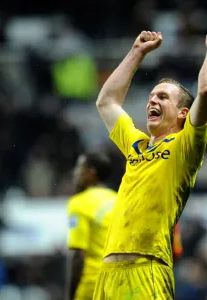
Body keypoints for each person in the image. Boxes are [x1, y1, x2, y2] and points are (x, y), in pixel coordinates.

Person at [93, 31, 207, 299]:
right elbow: (106, 102)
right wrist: (137, 52)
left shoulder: (185, 147)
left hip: (147, 269)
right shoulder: (137, 145)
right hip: (107, 275)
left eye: (163, 97)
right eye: (151, 96)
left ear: (183, 114)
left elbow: (204, 90)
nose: (153, 100)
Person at [66, 152, 117, 300]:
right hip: (119, 283)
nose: (75, 173)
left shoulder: (79, 204)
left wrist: (70, 294)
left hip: (92, 285)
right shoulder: (118, 199)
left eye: (79, 168)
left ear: (91, 173)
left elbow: (78, 256)